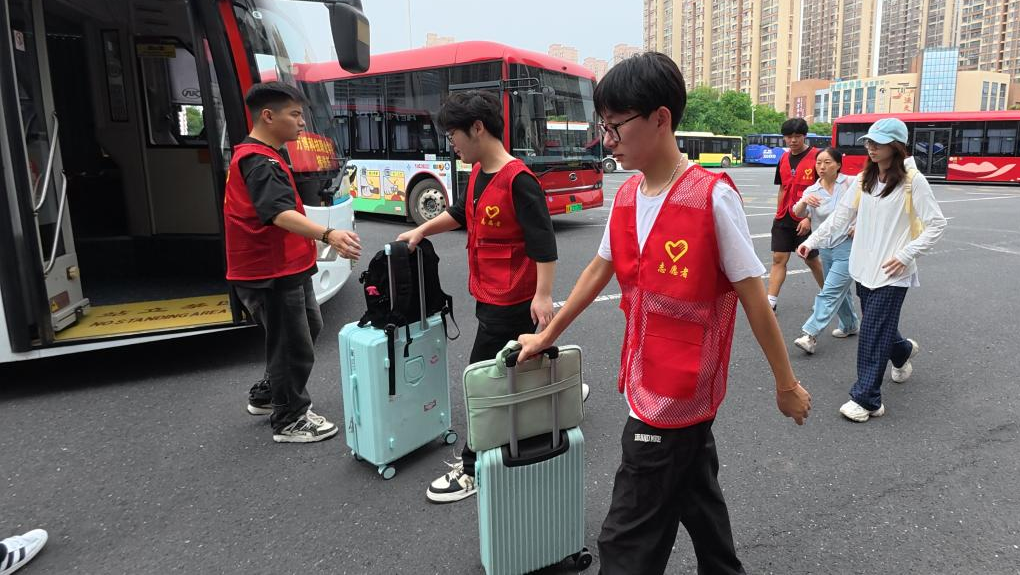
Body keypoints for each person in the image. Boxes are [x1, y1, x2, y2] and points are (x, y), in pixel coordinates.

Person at [517, 52, 811, 575]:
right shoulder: (628, 195)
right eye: (603, 126)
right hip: (644, 375)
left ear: (660, 118)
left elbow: (753, 298)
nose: (607, 139)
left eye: (616, 126)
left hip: (674, 395)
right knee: (697, 496)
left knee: (626, 541)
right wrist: (546, 335)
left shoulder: (711, 198)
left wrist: (785, 384)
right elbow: (599, 270)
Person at [396, 90, 560, 504]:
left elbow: (543, 242)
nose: (451, 142)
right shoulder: (477, 173)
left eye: (453, 134)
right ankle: (550, 406)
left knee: (481, 380)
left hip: (512, 299)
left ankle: (473, 467)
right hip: (489, 293)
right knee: (517, 366)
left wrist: (543, 295)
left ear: (478, 128)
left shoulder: (519, 179)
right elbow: (459, 214)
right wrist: (420, 230)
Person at [226, 83, 362, 439]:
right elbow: (279, 214)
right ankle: (290, 418)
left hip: (287, 266)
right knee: (291, 343)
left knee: (306, 329)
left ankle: (271, 393)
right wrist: (329, 235)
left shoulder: (264, 155)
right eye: (295, 114)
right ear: (268, 116)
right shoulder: (260, 162)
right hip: (270, 269)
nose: (302, 122)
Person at [797, 118, 946, 422]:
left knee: (872, 332)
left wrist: (906, 254)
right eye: (869, 142)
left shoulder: (913, 181)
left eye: (878, 143)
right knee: (879, 326)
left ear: (896, 146)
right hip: (863, 267)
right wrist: (812, 241)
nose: (871, 147)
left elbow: (936, 225)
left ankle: (867, 399)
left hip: (892, 272)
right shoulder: (866, 178)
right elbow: (841, 217)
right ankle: (901, 351)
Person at [790, 146, 860, 355]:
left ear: (838, 165)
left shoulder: (851, 183)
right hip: (826, 247)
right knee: (839, 290)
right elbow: (797, 212)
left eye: (827, 162)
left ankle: (810, 334)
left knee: (829, 291)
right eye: (819, 162)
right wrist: (804, 202)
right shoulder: (812, 190)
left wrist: (859, 224)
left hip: (848, 245)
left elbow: (869, 206)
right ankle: (850, 325)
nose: (822, 166)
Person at [767, 118, 824, 312]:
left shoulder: (817, 157)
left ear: (804, 136)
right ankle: (770, 302)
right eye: (788, 137)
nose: (793, 140)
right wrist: (778, 213)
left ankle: (828, 296)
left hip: (806, 218)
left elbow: (824, 190)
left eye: (797, 136)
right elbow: (782, 188)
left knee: (811, 259)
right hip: (784, 216)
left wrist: (809, 218)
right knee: (778, 258)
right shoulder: (783, 158)